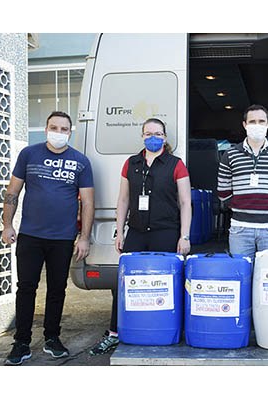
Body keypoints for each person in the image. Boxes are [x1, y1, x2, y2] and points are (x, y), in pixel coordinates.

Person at [89, 117, 192, 355]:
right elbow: (123, 199)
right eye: (148, 133)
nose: (152, 137)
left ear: (165, 138)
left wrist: (184, 236)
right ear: (142, 136)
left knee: (169, 284)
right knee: (124, 283)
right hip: (136, 232)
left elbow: (186, 202)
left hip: (166, 232)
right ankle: (114, 332)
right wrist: (119, 231)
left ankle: (170, 330)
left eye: (157, 133)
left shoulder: (176, 164)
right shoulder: (131, 163)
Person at [2, 111, 95, 365]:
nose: (59, 132)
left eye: (64, 129)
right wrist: (7, 225)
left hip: (63, 239)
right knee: (26, 289)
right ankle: (21, 342)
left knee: (57, 290)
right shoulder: (29, 154)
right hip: (31, 236)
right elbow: (13, 191)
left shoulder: (80, 161)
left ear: (70, 132)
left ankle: (52, 338)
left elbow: (87, 202)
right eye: (54, 127)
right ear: (46, 129)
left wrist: (84, 237)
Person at [217, 104, 268, 262]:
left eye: (261, 121)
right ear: (244, 125)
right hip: (240, 228)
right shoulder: (230, 154)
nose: (257, 125)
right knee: (242, 274)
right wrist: (239, 207)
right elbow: (223, 190)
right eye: (252, 122)